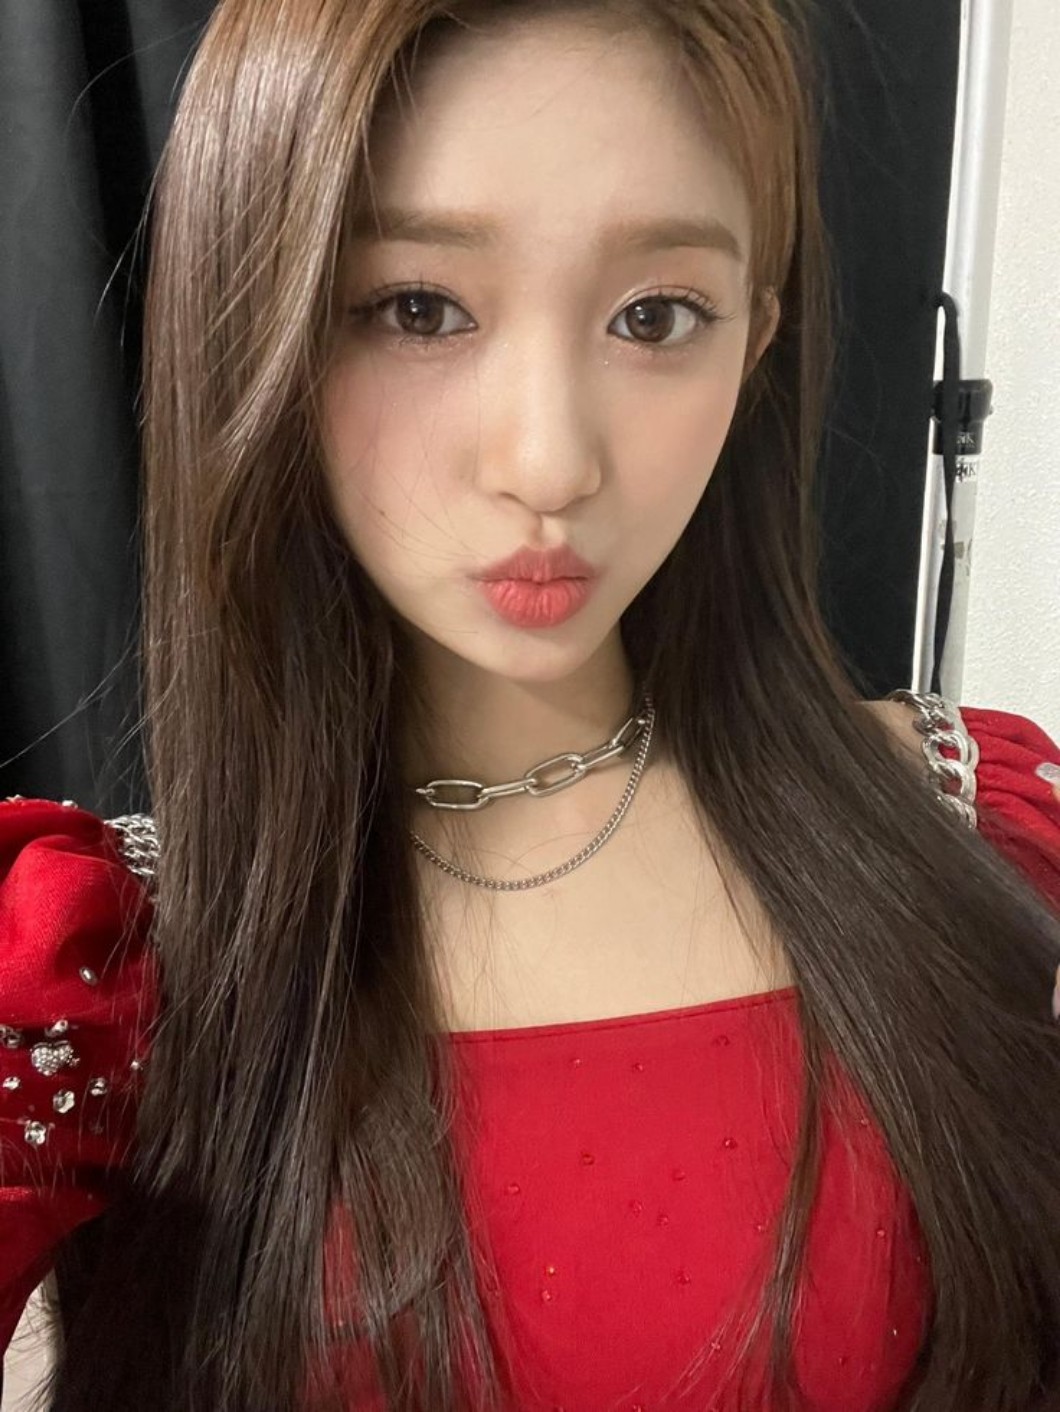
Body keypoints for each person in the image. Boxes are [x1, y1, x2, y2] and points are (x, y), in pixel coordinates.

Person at [2, 1, 1059, 1408]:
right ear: (260, 323)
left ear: (756, 342)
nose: (551, 462)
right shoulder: (93, 976)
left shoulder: (969, 832)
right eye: (417, 309)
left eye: (655, 316)